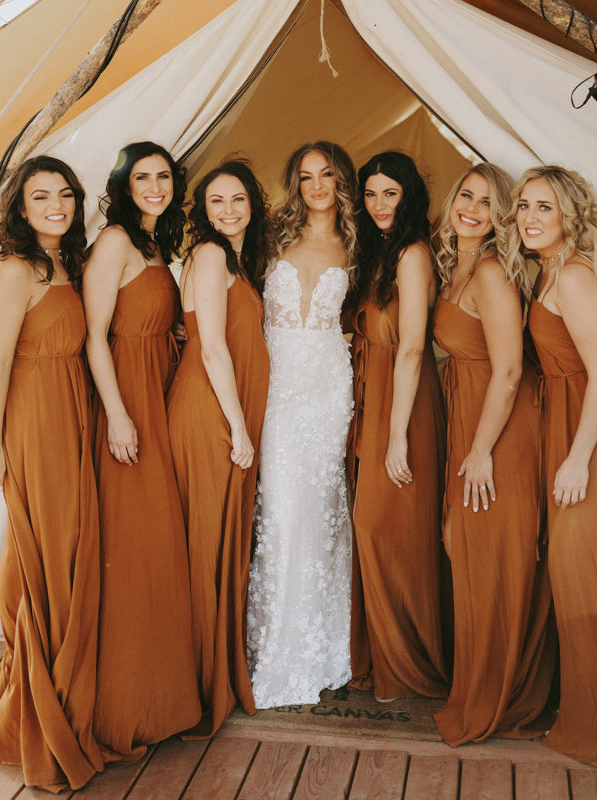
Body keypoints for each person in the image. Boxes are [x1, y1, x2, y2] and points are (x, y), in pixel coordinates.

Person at [83, 141, 200, 760]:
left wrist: (170, 329)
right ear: (124, 186)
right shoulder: (114, 242)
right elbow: (95, 336)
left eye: (164, 177)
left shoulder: (156, 244)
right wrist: (118, 415)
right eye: (143, 178)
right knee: (137, 548)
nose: (155, 187)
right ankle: (126, 707)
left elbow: (143, 314)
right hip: (128, 403)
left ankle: (163, 701)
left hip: (158, 386)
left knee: (160, 547)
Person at [432, 163, 555, 745]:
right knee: (467, 548)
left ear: (501, 216)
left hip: (500, 428)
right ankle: (478, 683)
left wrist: (481, 451)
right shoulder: (455, 264)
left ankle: (499, 694)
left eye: (487, 203)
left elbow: (508, 371)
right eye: (466, 195)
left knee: (492, 554)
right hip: (470, 418)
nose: (472, 209)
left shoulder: (489, 271)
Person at [0, 156, 103, 791]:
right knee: (48, 552)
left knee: (70, 551)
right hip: (35, 419)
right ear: (20, 207)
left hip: (73, 413)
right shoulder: (15, 269)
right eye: (40, 197)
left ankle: (66, 691)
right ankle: (40, 709)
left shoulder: (66, 262)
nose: (56, 206)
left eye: (65, 194)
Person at [246, 141, 356, 708]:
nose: (317, 185)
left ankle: (324, 649)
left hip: (329, 391)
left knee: (319, 516)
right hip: (277, 390)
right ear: (295, 183)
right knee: (280, 514)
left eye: (327, 174)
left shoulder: (360, 244)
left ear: (341, 182)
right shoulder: (269, 238)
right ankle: (274, 650)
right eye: (307, 175)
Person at [167, 159, 270, 737]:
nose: (228, 210)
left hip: (225, 411)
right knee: (206, 544)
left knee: (219, 541)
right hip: (210, 414)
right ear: (203, 212)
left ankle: (212, 678)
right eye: (216, 201)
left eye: (237, 199)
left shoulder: (233, 260)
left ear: (252, 203)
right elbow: (211, 348)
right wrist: (238, 425)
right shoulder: (209, 255)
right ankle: (198, 688)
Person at [346, 151, 447, 701]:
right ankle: (386, 657)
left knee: (383, 526)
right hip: (374, 394)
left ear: (408, 195)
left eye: (390, 192)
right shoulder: (378, 251)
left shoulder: (412, 253)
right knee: (379, 527)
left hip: (403, 402)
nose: (379, 203)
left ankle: (407, 666)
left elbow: (411, 348)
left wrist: (397, 435)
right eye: (370, 193)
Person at [509, 165, 597, 764]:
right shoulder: (545, 270)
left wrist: (579, 458)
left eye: (545, 207)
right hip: (562, 433)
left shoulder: (574, 276)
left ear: (569, 214)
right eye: (524, 206)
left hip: (582, 440)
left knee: (581, 581)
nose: (531, 218)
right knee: (570, 581)